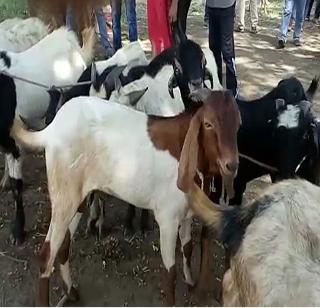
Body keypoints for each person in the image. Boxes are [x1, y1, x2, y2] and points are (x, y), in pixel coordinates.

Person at [206, 0, 238, 97]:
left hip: (227, 7)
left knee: (227, 52)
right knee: (214, 49)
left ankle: (232, 90)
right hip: (211, 7)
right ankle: (217, 87)